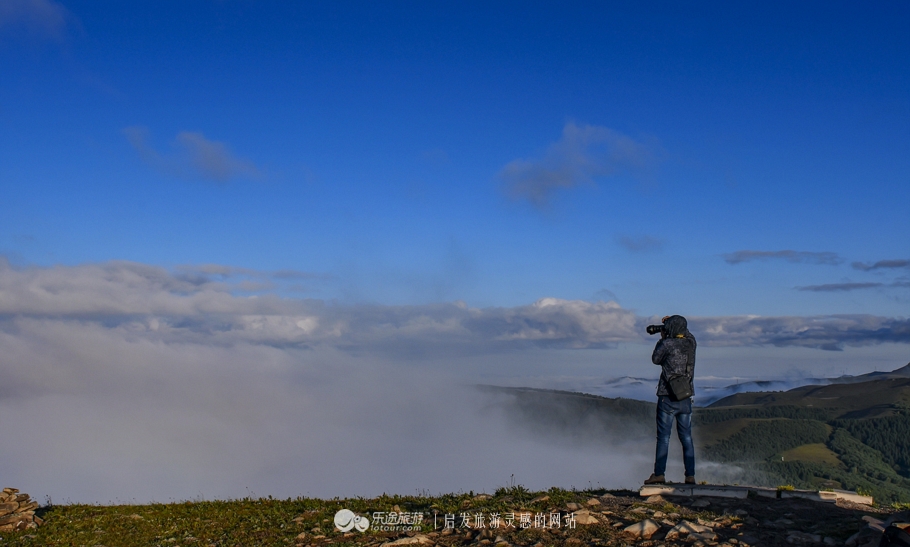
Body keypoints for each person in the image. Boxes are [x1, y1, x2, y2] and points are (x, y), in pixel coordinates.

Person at [644, 315, 697, 485]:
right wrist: (676, 323)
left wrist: (663, 337)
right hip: (686, 397)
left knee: (664, 438)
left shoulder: (666, 344)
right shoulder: (690, 344)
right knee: (686, 438)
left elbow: (655, 360)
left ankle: (659, 474)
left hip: (667, 396)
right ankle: (690, 475)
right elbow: (689, 335)